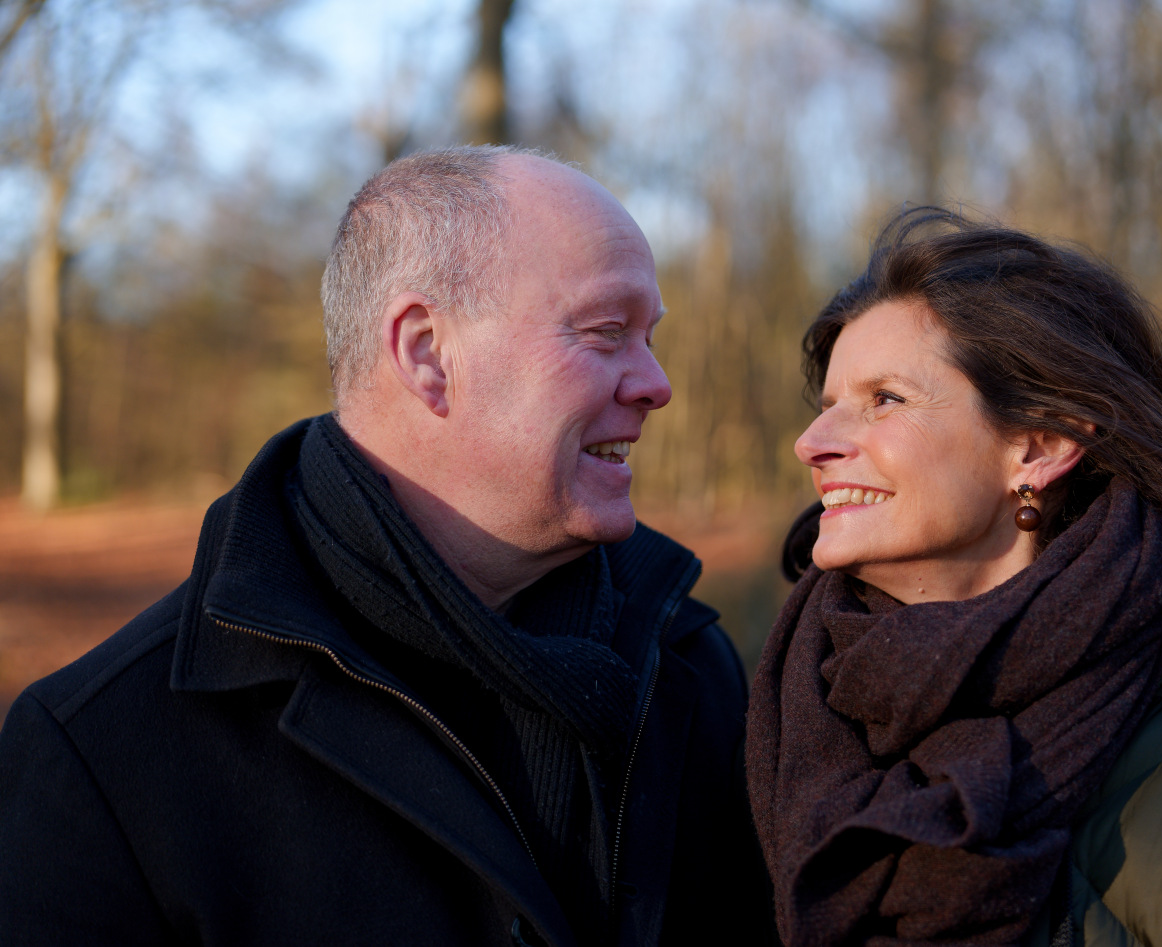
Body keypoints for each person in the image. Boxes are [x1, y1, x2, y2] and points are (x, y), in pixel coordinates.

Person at [0, 146, 772, 946]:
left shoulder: (688, 666)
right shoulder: (104, 756)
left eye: (649, 337)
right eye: (607, 332)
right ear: (427, 354)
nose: (657, 383)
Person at [747, 207, 1162, 946]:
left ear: (1039, 446)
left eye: (885, 400)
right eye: (828, 407)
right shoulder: (768, 726)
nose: (812, 442)